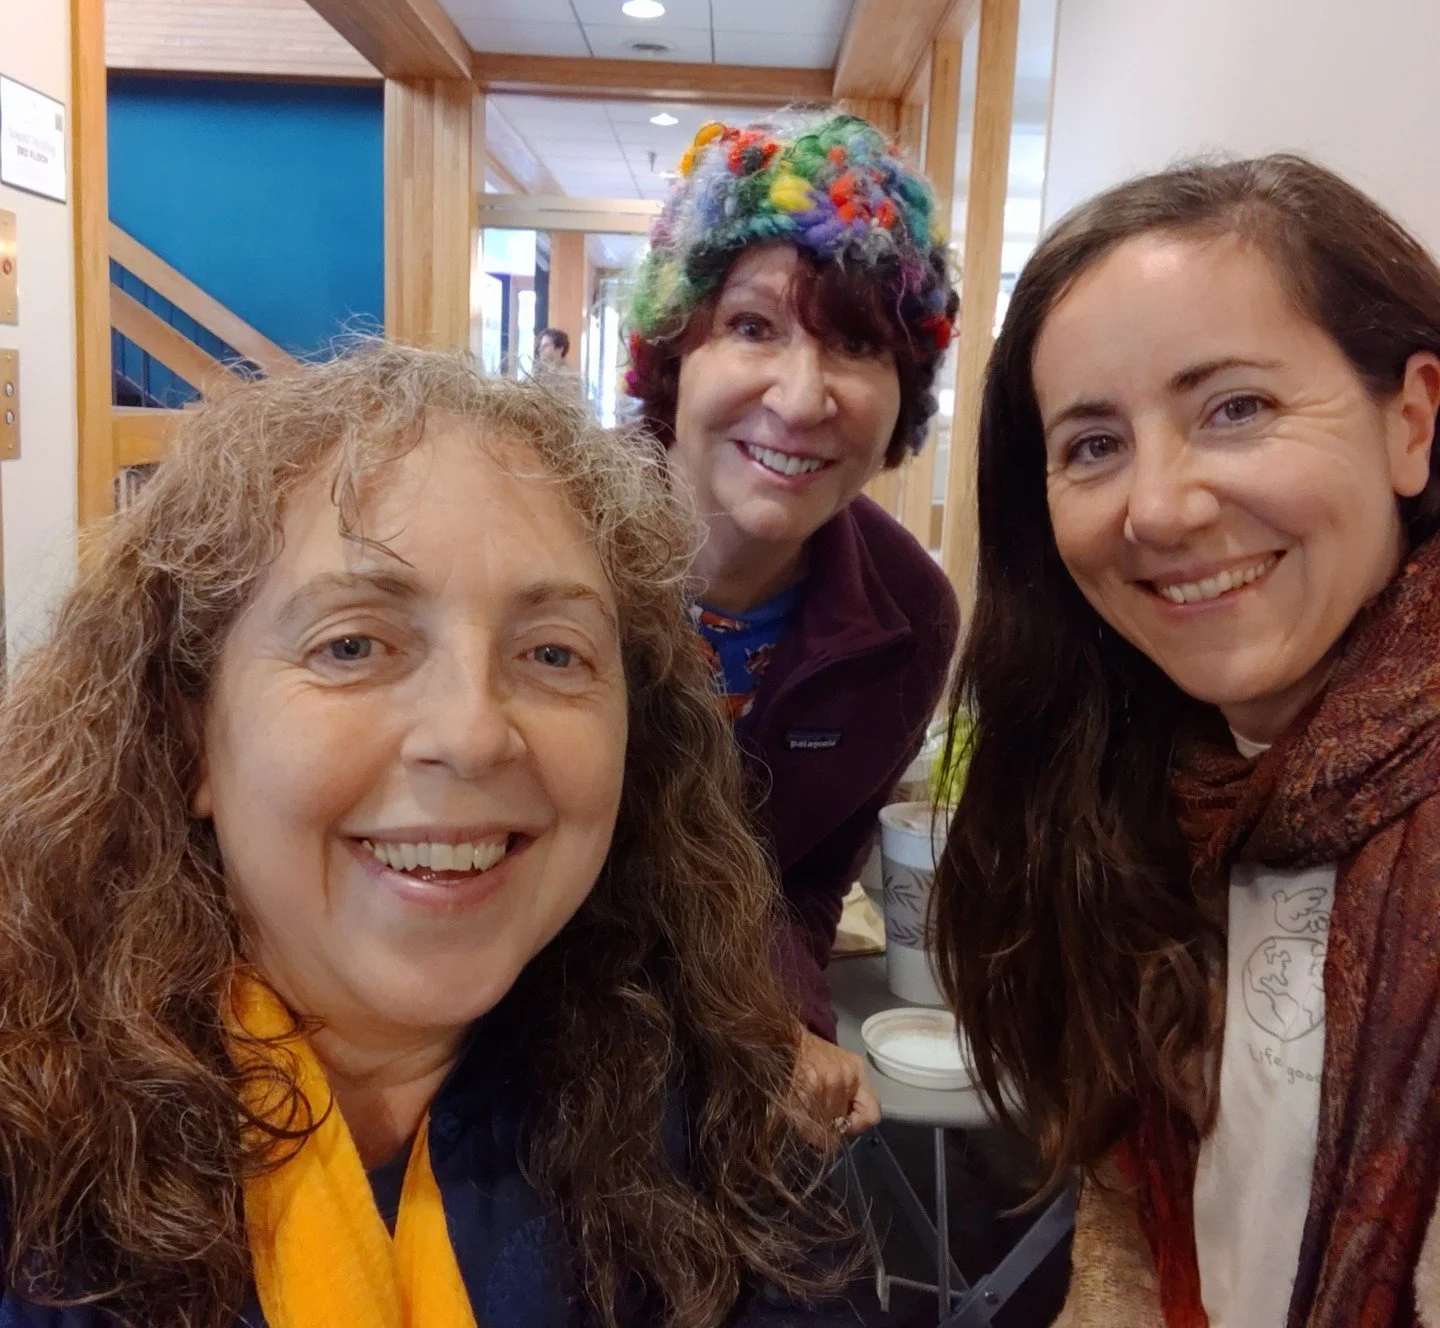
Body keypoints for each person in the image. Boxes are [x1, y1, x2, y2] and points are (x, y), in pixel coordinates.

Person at [0, 346, 854, 1328]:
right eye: (354, 645)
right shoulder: (33, 1159)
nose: (472, 734)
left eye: (551, 653)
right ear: (190, 735)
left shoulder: (727, 1134)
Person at [933, 155, 1440, 1327]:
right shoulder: (1151, 792)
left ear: (1410, 419)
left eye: (1237, 409)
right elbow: (1133, 1235)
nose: (1157, 508)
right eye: (1095, 444)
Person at [625, 112, 961, 1140]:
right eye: (754, 326)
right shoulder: (534, 538)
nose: (803, 397)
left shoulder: (908, 615)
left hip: (707, 1093)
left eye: (857, 342)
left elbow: (805, 880)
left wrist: (786, 1026)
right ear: (676, 353)